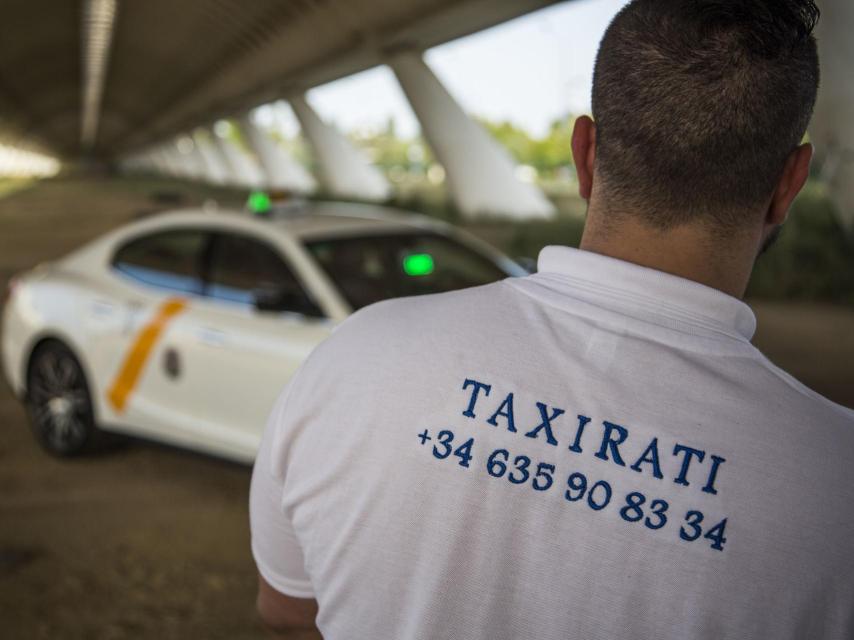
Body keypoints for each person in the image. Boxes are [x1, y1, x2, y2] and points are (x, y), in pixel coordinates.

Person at [249, 0, 854, 637]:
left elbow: (287, 606)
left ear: (585, 153)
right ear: (790, 183)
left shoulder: (358, 354)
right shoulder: (836, 487)